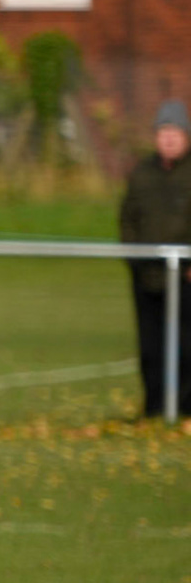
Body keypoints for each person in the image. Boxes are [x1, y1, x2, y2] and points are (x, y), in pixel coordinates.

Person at [118, 100, 191, 419]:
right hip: (147, 277)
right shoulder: (142, 174)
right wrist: (134, 259)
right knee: (150, 348)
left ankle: (186, 409)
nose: (169, 139)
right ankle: (154, 408)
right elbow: (127, 219)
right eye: (163, 132)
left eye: (175, 132)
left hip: (185, 277)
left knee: (187, 347)